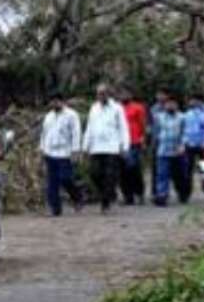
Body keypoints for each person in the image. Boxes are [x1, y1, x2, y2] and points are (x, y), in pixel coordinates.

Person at [82, 84, 129, 213]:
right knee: (94, 174)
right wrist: (85, 146)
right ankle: (107, 194)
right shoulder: (94, 108)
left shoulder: (117, 108)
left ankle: (105, 202)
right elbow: (89, 128)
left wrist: (124, 146)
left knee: (109, 176)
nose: (100, 96)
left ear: (108, 94)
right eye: (98, 93)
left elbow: (123, 128)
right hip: (96, 147)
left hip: (112, 147)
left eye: (103, 93)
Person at [39, 91, 84, 216]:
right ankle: (55, 208)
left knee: (66, 178)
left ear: (62, 101)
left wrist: (76, 150)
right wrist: (42, 149)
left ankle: (77, 197)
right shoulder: (49, 116)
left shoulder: (71, 115)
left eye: (56, 101)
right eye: (52, 101)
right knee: (52, 182)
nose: (54, 104)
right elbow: (44, 134)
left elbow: (76, 133)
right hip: (50, 152)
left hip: (65, 152)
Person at [150, 95, 185, 207]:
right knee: (162, 174)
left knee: (179, 175)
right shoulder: (159, 117)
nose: (170, 106)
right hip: (163, 150)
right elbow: (155, 133)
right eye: (168, 103)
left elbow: (185, 133)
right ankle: (162, 195)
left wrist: (183, 145)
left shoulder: (182, 117)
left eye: (173, 103)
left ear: (177, 105)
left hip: (178, 150)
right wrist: (153, 145)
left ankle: (182, 192)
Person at [119, 92, 150, 206]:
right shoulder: (118, 108)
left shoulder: (138, 107)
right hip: (121, 143)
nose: (123, 96)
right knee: (123, 171)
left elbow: (143, 124)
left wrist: (143, 138)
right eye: (121, 94)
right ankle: (128, 196)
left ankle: (139, 193)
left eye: (125, 94)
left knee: (133, 168)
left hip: (134, 141)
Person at [179, 93, 204, 201]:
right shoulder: (187, 114)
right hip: (190, 145)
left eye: (193, 100)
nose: (191, 103)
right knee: (187, 170)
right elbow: (184, 131)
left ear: (200, 101)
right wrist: (182, 143)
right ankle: (185, 194)